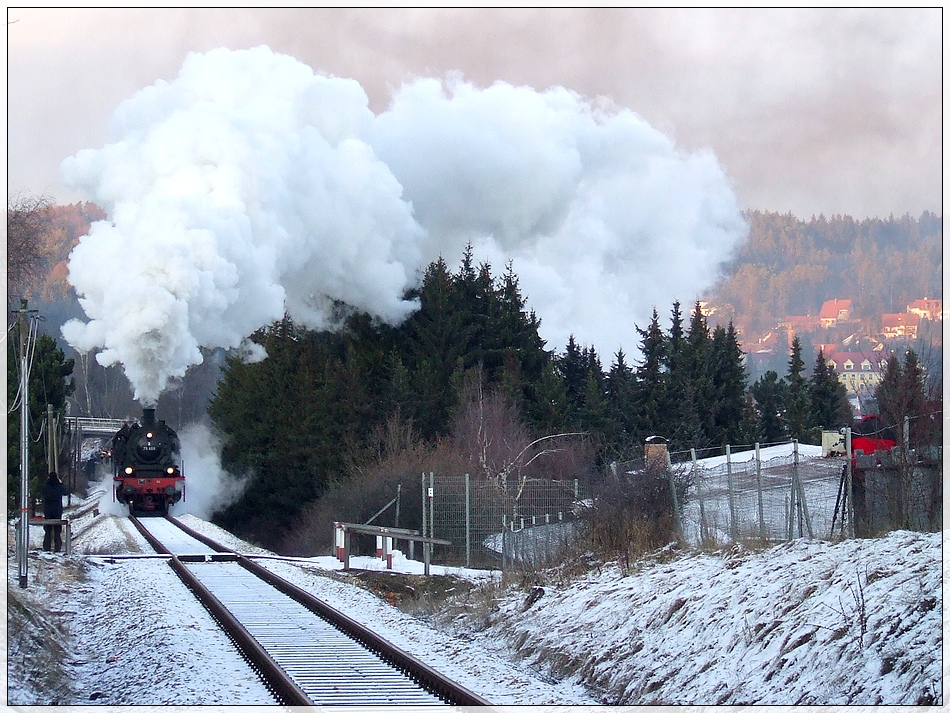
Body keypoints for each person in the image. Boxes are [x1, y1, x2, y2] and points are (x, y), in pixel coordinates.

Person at [42, 471, 70, 553]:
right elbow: (66, 492)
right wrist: (61, 483)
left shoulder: (46, 486)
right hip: (57, 510)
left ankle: (47, 547)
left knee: (47, 530)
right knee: (57, 530)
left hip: (47, 510)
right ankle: (57, 547)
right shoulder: (59, 486)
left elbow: (42, 492)